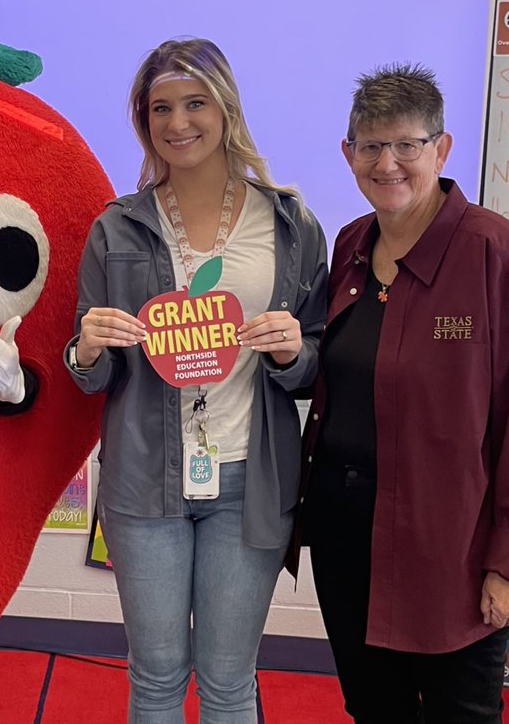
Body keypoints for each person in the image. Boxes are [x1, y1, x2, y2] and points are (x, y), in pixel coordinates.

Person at [64, 38, 328, 723]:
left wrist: (293, 351)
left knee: (228, 679)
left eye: (194, 102)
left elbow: (315, 361)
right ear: (144, 121)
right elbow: (92, 375)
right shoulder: (115, 227)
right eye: (160, 108)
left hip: (251, 480)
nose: (178, 122)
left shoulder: (290, 225)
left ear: (226, 108)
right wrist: (88, 351)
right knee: (154, 677)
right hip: (143, 478)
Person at [298, 63, 509, 724]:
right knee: (373, 707)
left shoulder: (498, 254)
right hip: (345, 532)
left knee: (458, 713)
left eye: (407, 144)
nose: (388, 162)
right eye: (370, 145)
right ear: (348, 153)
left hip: (451, 544)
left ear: (441, 150)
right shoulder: (352, 244)